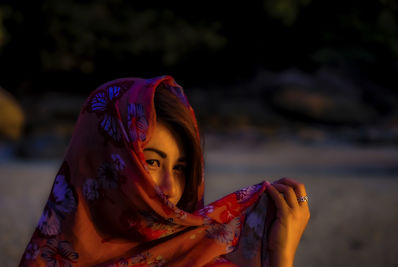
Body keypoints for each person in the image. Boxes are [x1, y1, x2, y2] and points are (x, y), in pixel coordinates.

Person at [19, 76, 310, 266]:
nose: (171, 187)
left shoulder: (203, 261)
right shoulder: (48, 258)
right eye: (152, 162)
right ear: (100, 163)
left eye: (181, 168)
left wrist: (280, 256)